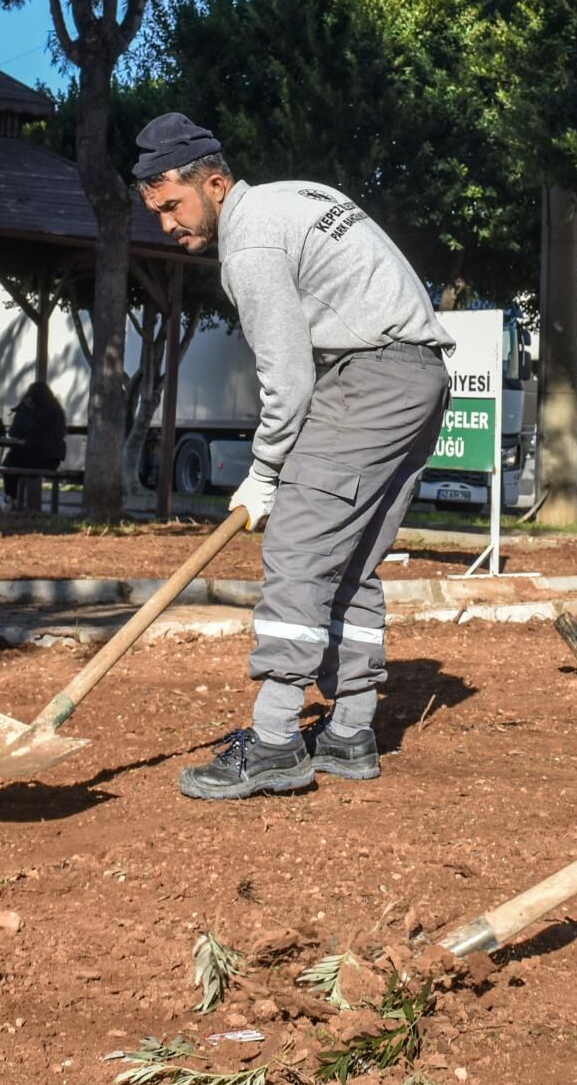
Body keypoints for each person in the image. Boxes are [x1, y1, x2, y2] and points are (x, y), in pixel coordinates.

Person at [131, 114, 452, 800]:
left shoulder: (247, 243)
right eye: (154, 211)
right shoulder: (293, 197)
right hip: (420, 373)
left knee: (301, 545)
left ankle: (276, 741)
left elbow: (289, 376)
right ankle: (351, 730)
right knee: (350, 555)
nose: (165, 225)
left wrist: (266, 470)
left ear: (213, 184)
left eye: (171, 206)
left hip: (367, 375)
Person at [2, 380, 68, 511]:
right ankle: (15, 501)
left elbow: (14, 432)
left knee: (9, 462)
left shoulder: (28, 409)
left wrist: (22, 411)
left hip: (32, 457)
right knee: (15, 460)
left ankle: (11, 499)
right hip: (52, 462)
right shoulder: (57, 410)